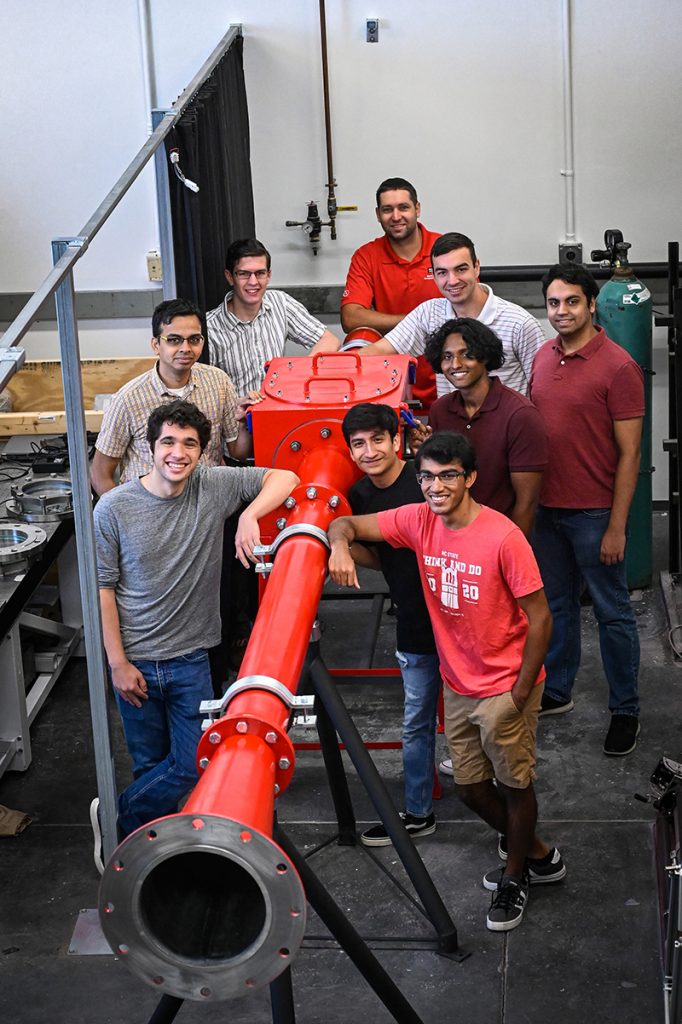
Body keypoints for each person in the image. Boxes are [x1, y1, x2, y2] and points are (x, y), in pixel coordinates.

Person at [328, 432, 562, 933]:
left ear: (470, 477)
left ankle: (516, 875)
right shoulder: (417, 520)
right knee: (472, 788)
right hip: (458, 681)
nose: (436, 486)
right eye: (428, 477)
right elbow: (344, 522)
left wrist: (520, 691)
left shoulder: (502, 536)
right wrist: (339, 547)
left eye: (448, 475)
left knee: (515, 784)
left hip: (505, 684)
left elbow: (541, 618)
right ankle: (540, 853)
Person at [91, 400, 298, 870]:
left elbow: (284, 478)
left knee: (189, 766)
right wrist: (117, 663)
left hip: (190, 661)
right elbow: (103, 588)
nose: (177, 453)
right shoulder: (115, 508)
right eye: (168, 442)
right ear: (150, 447)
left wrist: (248, 516)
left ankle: (118, 813)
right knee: (150, 766)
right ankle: (142, 859)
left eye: (189, 444)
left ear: (203, 452)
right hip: (135, 661)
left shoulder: (214, 485)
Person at [415, 317, 549, 779]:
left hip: (499, 555)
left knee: (504, 645)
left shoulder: (519, 415)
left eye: (466, 354)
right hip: (453, 551)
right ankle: (470, 743)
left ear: (487, 357)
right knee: (462, 644)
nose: (456, 364)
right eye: (447, 356)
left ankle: (511, 741)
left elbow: (526, 504)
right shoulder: (441, 412)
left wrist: (505, 564)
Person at [530, 263, 644, 756]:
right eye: (554, 303)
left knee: (613, 612)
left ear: (592, 304)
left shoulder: (618, 366)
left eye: (572, 301)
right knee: (556, 606)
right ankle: (558, 689)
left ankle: (626, 709)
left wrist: (617, 526)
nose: (562, 311)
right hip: (545, 510)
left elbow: (631, 455)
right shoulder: (541, 356)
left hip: (594, 513)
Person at [341, 403, 441, 845]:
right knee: (416, 721)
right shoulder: (360, 496)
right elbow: (367, 544)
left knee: (482, 720)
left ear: (396, 440)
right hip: (415, 623)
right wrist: (338, 546)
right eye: (358, 444)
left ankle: (503, 811)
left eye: (377, 440)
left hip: (461, 621)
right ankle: (418, 812)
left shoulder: (427, 478)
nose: (369, 451)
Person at [91, 298, 249, 495]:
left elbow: (238, 453)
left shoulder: (219, 383)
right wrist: (127, 516)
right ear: (156, 344)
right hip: (150, 511)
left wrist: (244, 422)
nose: (185, 348)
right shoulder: (128, 399)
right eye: (174, 340)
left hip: (207, 507)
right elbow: (100, 473)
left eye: (194, 339)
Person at [369, 232, 545, 399]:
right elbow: (378, 352)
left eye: (460, 269)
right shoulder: (428, 313)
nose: (452, 281)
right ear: (434, 276)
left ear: (476, 268)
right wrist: (343, 362)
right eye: (442, 272)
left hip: (505, 429)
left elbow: (544, 391)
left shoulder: (520, 324)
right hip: (452, 428)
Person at [340, 177, 441, 409]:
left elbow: (468, 310)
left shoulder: (443, 249)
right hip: (391, 387)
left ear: (417, 209)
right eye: (387, 210)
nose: (396, 217)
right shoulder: (367, 256)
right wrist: (417, 322)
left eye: (403, 207)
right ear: (377, 214)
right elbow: (351, 318)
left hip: (446, 383)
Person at [206, 238, 341, 396]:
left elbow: (330, 340)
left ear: (269, 275)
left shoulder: (279, 302)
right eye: (244, 274)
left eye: (260, 273)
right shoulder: (210, 327)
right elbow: (207, 395)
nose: (253, 282)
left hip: (278, 408)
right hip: (237, 417)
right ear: (230, 277)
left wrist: (299, 373)